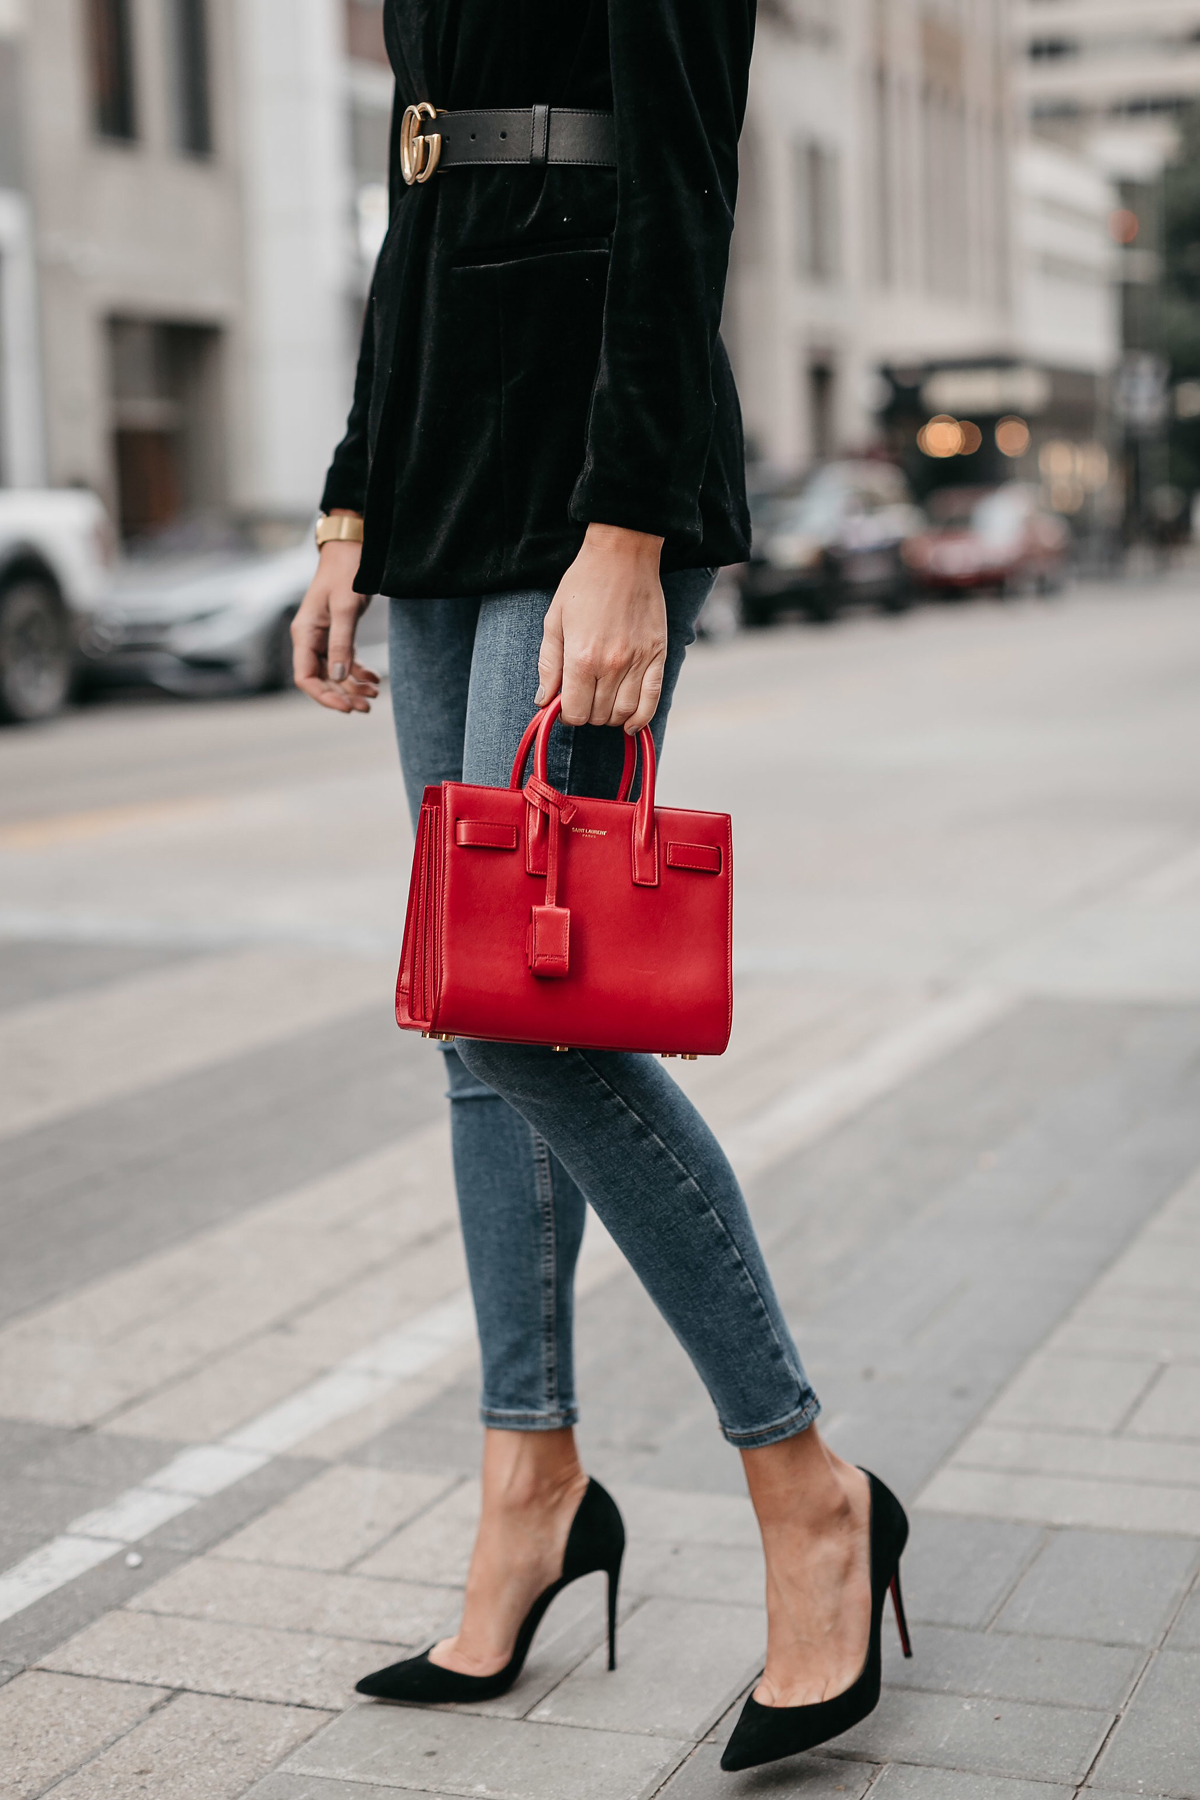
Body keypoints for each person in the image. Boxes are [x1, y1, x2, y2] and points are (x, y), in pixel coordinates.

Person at [291, 0, 909, 1771]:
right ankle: (531, 1481)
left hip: (590, 467)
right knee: (465, 1014)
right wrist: (351, 509)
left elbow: (684, 177)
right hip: (437, 462)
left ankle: (807, 1487)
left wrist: (628, 529)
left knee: (529, 999)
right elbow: (417, 181)